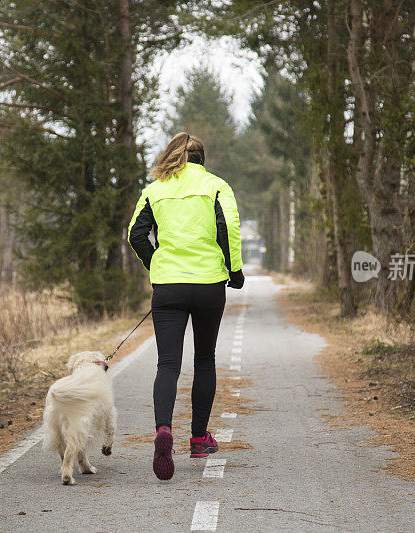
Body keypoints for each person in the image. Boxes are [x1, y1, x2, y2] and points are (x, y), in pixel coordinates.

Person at [128, 132, 244, 481]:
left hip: (169, 287)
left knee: (167, 363)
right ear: (201, 159)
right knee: (205, 358)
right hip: (209, 285)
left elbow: (136, 234)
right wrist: (234, 270)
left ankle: (164, 429)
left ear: (173, 157)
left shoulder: (154, 189)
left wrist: (157, 264)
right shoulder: (216, 186)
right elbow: (230, 228)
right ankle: (198, 438)